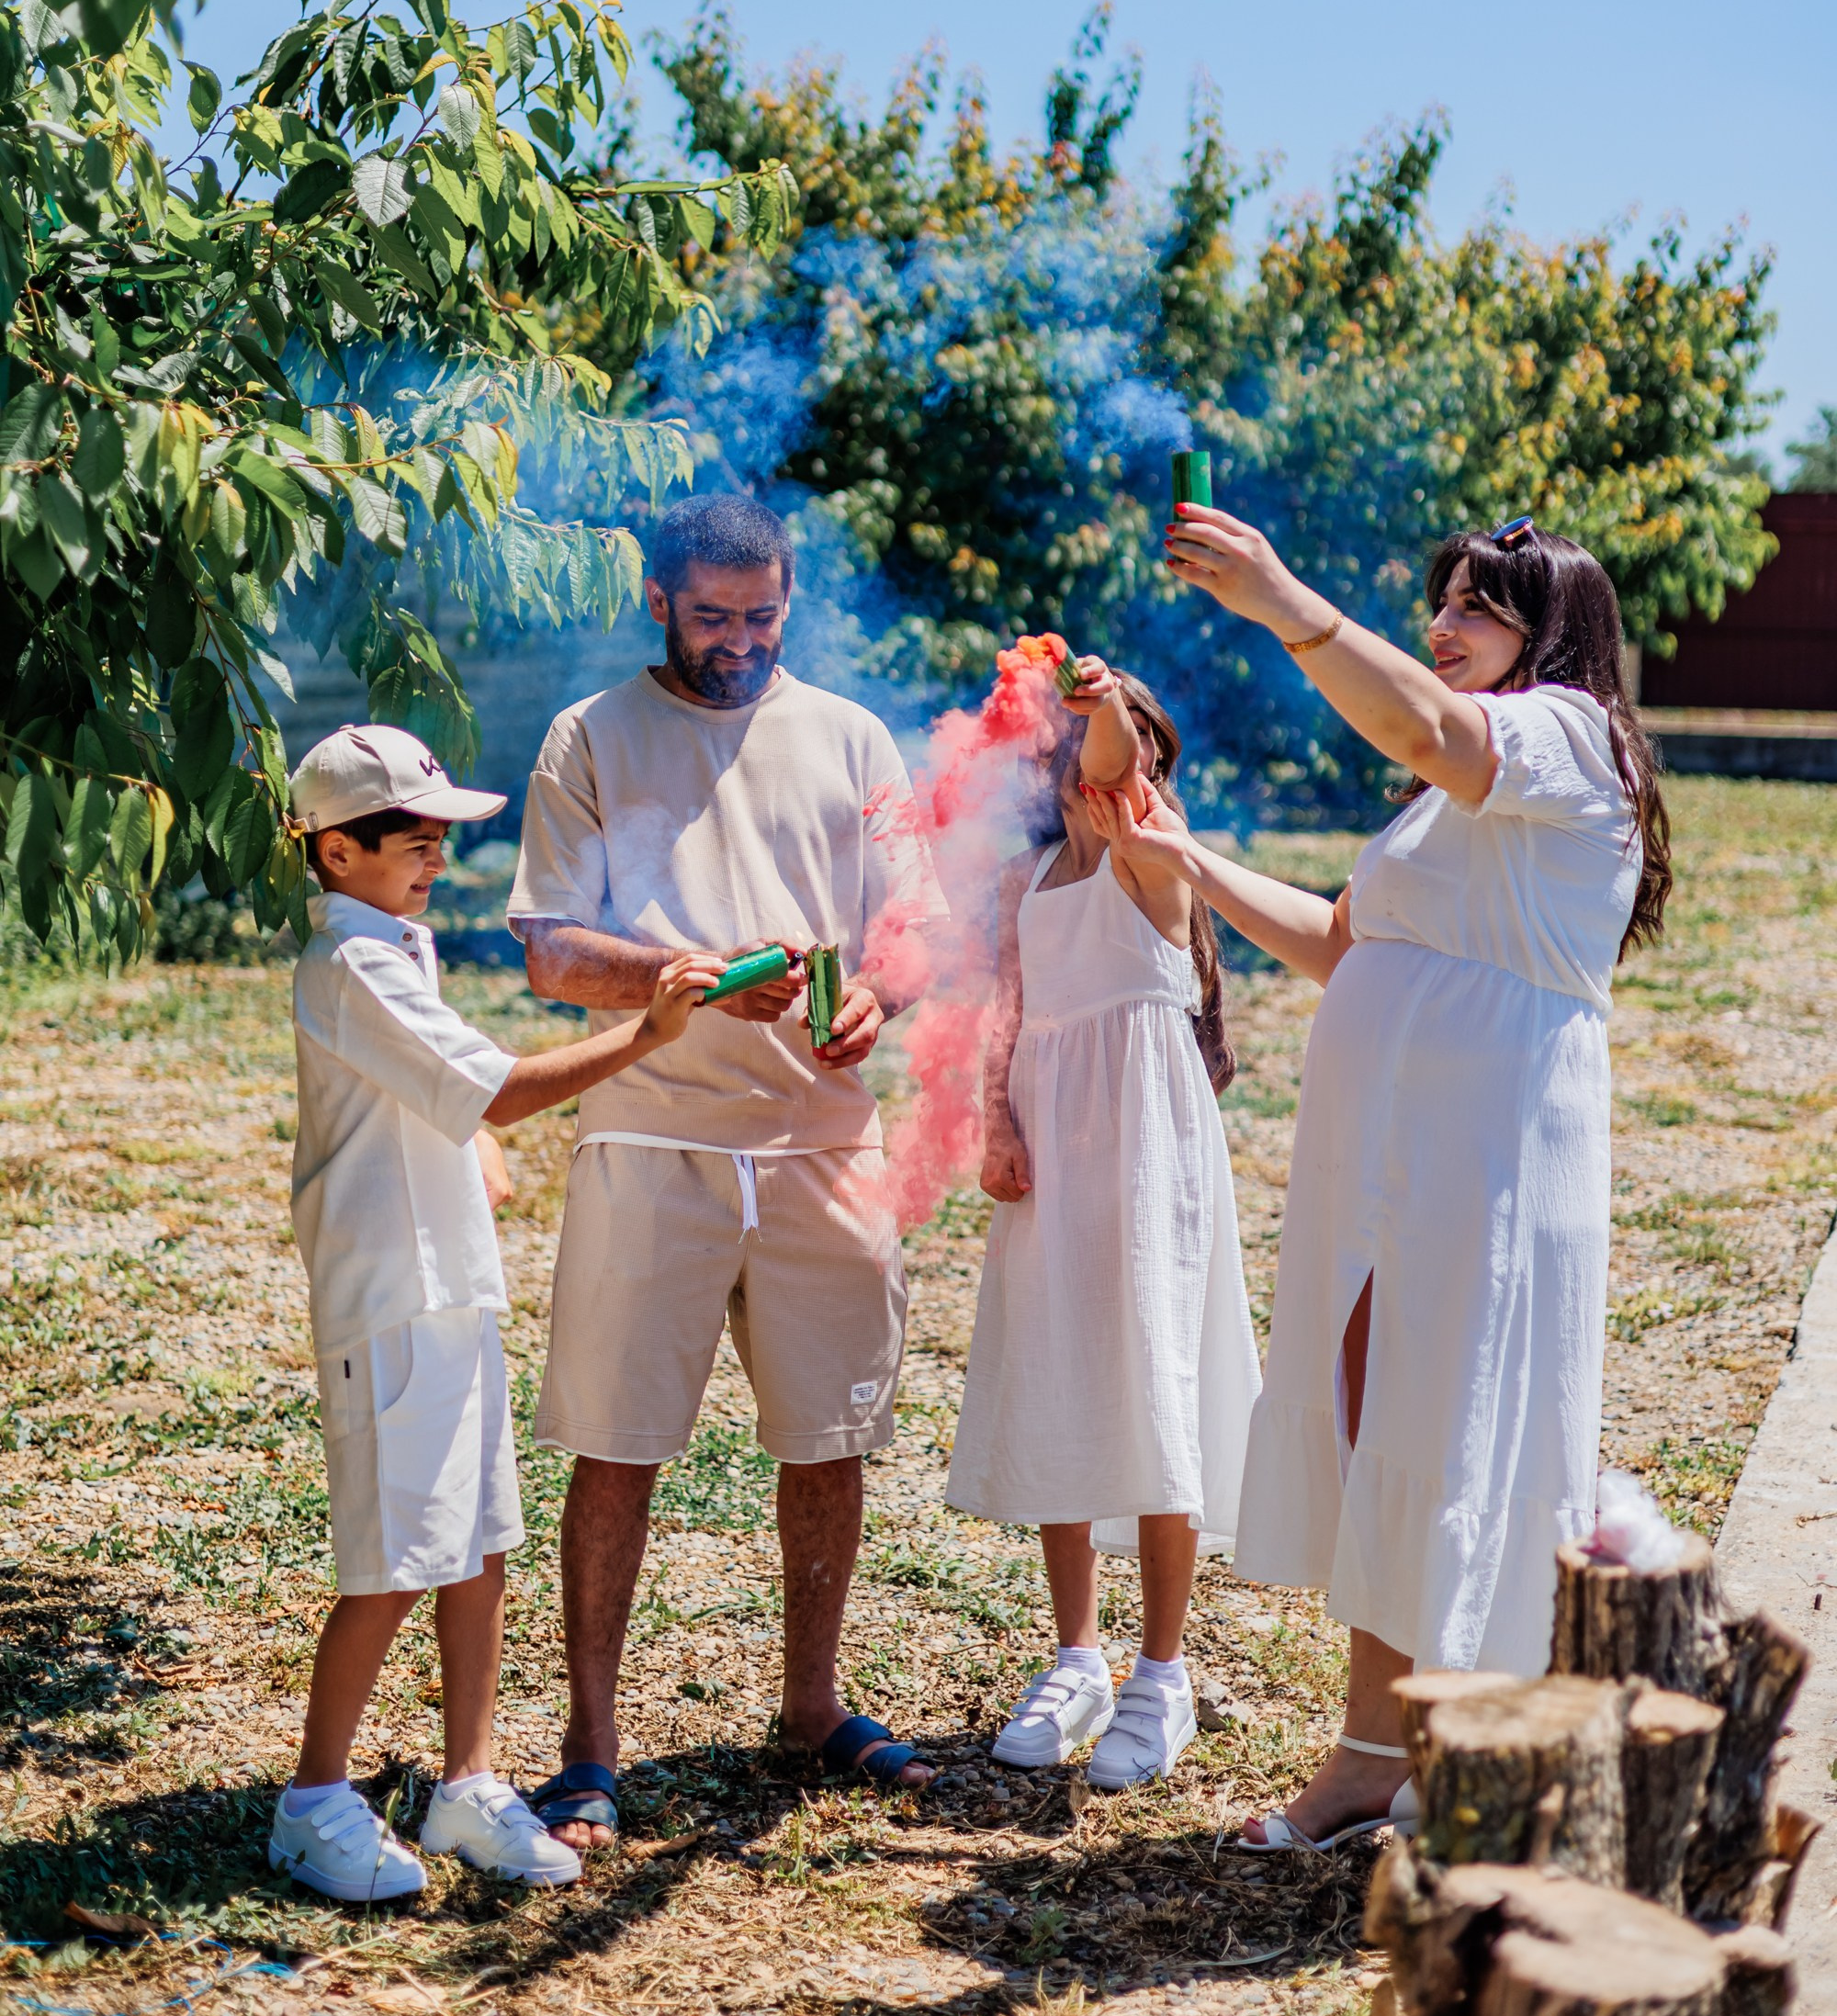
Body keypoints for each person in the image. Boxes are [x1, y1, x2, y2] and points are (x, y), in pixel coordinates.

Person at [1085, 512, 1669, 1849]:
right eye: (1443, 602)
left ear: (1555, 635)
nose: (1445, 625)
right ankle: (1376, 1754)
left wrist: (1285, 601)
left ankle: (1439, 1758)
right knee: (1384, 1426)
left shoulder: (1569, 736)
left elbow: (1423, 731)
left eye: (1480, 609)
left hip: (1491, 1148)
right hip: (1391, 1160)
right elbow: (1348, 948)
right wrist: (1185, 861)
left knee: (1453, 1426)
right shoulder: (1455, 798)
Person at [507, 494, 945, 1847]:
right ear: (657, 600)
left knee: (830, 1439)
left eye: (763, 615)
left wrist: (879, 993)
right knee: (618, 1440)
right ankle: (591, 1744)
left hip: (823, 1142)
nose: (741, 642)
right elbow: (550, 950)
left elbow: (915, 931)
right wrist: (673, 980)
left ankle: (811, 1706)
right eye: (713, 618)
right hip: (652, 1134)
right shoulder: (591, 737)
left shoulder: (852, 735)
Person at [272, 722, 723, 1903]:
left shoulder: (397, 947)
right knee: (391, 1561)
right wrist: (647, 1033)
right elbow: (499, 1091)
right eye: (408, 836)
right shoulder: (354, 966)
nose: (434, 852)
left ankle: (466, 1782)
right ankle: (315, 1798)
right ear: (333, 854)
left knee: (474, 1546)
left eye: (441, 835)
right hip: (391, 1297)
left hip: (450, 1285)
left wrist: (466, 1137)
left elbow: (450, 1106)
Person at [946, 658, 1262, 1787]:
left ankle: (1160, 1673)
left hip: (1145, 1148)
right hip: (1053, 1150)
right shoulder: (1024, 884)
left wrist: (1103, 695)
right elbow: (1003, 1018)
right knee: (1062, 1372)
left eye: (1126, 763)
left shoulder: (1152, 866)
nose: (1106, 781)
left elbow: (1118, 755)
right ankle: (1075, 1656)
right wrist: (997, 1126)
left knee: (1152, 1375)